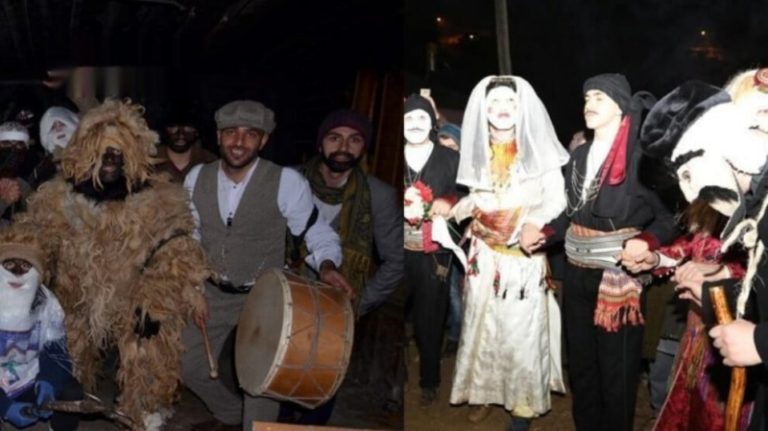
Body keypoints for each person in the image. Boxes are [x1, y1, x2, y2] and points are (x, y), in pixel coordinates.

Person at [14, 99, 209, 431]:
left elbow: (176, 249)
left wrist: (155, 298)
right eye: (102, 153)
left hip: (133, 298)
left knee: (147, 345)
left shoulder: (157, 198)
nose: (109, 161)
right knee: (67, 345)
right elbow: (35, 237)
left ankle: (143, 407)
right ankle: (68, 398)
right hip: (76, 297)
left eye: (118, 154)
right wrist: (21, 261)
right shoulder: (58, 196)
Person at [181, 100, 352, 431]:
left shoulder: (286, 181)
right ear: (218, 136)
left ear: (263, 140)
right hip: (210, 289)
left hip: (264, 295)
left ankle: (255, 425)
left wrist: (328, 266)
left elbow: (315, 231)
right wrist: (193, 286)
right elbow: (189, 236)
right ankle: (230, 414)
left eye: (250, 134)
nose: (239, 142)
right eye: (231, 132)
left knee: (260, 379)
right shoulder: (197, 177)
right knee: (187, 364)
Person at [533, 73, 678, 430]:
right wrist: (545, 232)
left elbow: (670, 217)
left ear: (621, 106)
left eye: (600, 97)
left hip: (617, 277)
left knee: (617, 372)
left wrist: (648, 241)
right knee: (582, 366)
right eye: (586, 98)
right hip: (576, 273)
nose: (589, 104)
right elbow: (570, 215)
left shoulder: (642, 159)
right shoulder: (579, 156)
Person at [639, 71, 768, 431]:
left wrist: (760, 341)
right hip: (712, 331)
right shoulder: (733, 200)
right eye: (756, 117)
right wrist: (659, 259)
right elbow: (692, 247)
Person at [446, 76, 568, 430]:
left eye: (510, 102)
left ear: (522, 108)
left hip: (521, 260)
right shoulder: (477, 151)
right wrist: (458, 208)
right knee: (482, 327)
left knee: (519, 333)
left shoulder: (538, 149)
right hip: (484, 256)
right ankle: (484, 392)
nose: (502, 109)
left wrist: (532, 222)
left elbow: (557, 199)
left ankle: (522, 405)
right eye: (495, 102)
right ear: (483, 110)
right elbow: (477, 197)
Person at [279, 109, 403, 424]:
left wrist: (361, 301)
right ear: (320, 144)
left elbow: (395, 261)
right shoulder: (288, 181)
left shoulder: (379, 195)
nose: (344, 147)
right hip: (286, 299)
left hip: (337, 309)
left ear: (364, 148)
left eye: (354, 140)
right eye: (335, 138)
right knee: (278, 383)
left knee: (321, 387)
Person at [403, 93, 460, 407]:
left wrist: (448, 202)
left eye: (422, 118)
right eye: (409, 118)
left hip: (434, 253)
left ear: (432, 123)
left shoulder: (449, 158)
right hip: (395, 254)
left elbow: (466, 193)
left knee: (431, 317)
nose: (415, 124)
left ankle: (430, 380)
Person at [0, 228, 83, 431]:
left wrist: (49, 382)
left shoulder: (48, 305)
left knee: (71, 393)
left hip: (28, 379)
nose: (17, 272)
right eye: (9, 265)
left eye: (25, 265)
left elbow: (57, 352)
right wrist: (4, 405)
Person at [154, 106, 217, 183]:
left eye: (188, 128)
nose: (181, 135)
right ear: (164, 130)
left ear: (197, 132)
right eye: (173, 128)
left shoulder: (210, 162)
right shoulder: (149, 161)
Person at [30, 106, 79, 187]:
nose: (58, 129)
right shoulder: (43, 171)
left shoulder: (93, 151)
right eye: (52, 127)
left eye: (62, 124)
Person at [0, 121, 34, 223]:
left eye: (19, 144)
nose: (12, 149)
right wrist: (3, 201)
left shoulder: (23, 186)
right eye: (6, 143)